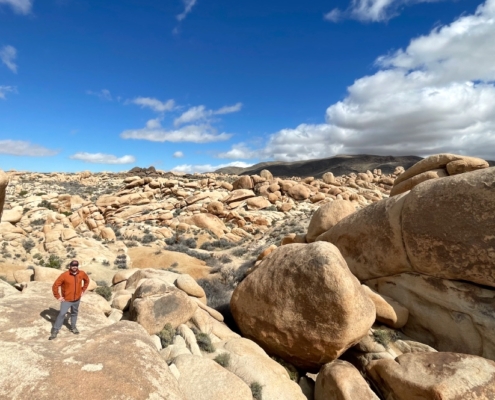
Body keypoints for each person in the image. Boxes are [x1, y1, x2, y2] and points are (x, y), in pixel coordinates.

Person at [49, 260, 89, 340]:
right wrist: (58, 296)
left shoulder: (81, 273)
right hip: (66, 300)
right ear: (70, 266)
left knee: (74, 313)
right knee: (62, 314)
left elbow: (87, 281)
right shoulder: (64, 275)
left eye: (76, 265)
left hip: (77, 299)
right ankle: (55, 330)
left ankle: (73, 327)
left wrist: (82, 290)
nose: (74, 267)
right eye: (73, 265)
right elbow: (55, 286)